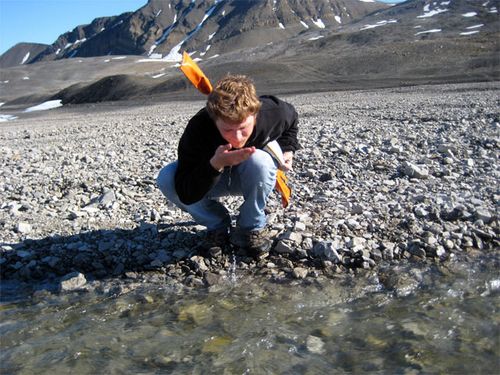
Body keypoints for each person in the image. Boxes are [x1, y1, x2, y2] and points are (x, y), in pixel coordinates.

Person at [157, 74, 299, 256]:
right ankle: (216, 226)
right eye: (228, 130)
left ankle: (250, 228)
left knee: (261, 162)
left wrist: (288, 149)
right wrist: (215, 164)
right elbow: (186, 193)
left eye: (243, 128)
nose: (237, 138)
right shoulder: (198, 129)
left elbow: (292, 120)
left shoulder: (274, 113)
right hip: (211, 179)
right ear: (214, 119)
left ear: (255, 114)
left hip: (250, 176)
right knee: (167, 178)